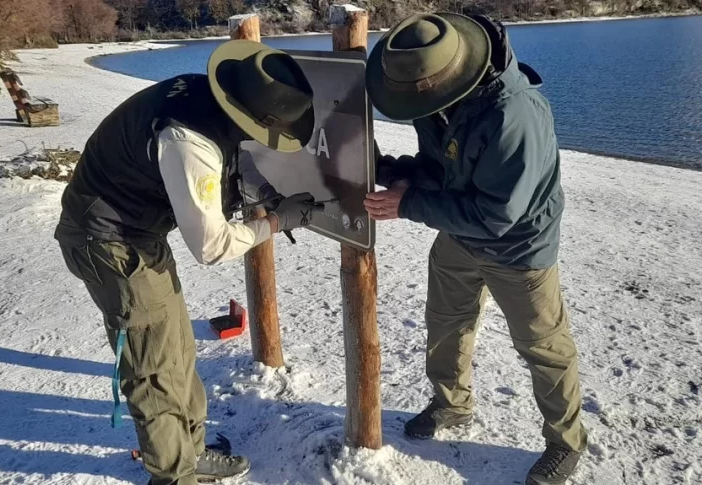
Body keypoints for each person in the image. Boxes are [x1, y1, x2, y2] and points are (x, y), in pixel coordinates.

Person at [55, 40, 322, 485]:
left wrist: (266, 194)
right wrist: (275, 221)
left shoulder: (206, 97)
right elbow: (212, 246)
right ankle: (173, 475)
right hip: (109, 242)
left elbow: (228, 162)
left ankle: (190, 450)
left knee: (177, 350)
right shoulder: (188, 139)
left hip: (138, 232)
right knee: (153, 369)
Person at [363, 13, 587, 485]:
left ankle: (565, 442)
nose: (413, 102)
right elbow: (441, 169)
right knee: (445, 326)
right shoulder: (434, 98)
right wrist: (396, 173)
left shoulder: (514, 114)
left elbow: (497, 214)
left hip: (519, 249)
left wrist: (410, 204)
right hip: (458, 239)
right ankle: (451, 405)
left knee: (543, 347)